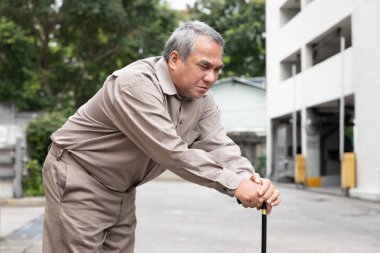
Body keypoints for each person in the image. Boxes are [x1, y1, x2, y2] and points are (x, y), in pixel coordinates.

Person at [42, 21, 280, 253]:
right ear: (175, 59)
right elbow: (171, 151)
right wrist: (235, 185)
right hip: (81, 176)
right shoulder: (135, 84)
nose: (211, 78)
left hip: (123, 189)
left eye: (217, 70)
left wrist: (251, 181)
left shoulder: (204, 100)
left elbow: (219, 146)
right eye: (204, 66)